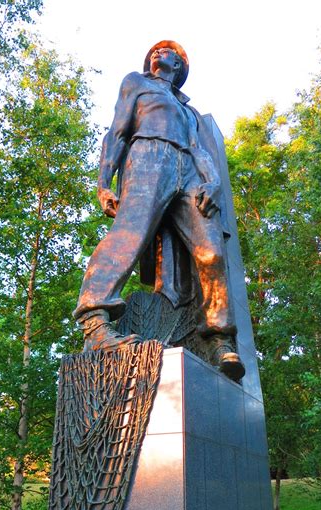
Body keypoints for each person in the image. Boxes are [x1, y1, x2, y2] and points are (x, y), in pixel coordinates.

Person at [73, 40, 244, 380]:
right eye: (154, 50)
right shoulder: (137, 83)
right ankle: (94, 321)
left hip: (189, 170)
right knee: (129, 236)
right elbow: (118, 132)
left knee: (211, 254)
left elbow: (200, 150)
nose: (156, 53)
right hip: (149, 156)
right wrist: (104, 181)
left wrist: (213, 184)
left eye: (165, 51)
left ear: (179, 65)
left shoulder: (188, 110)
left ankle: (219, 340)